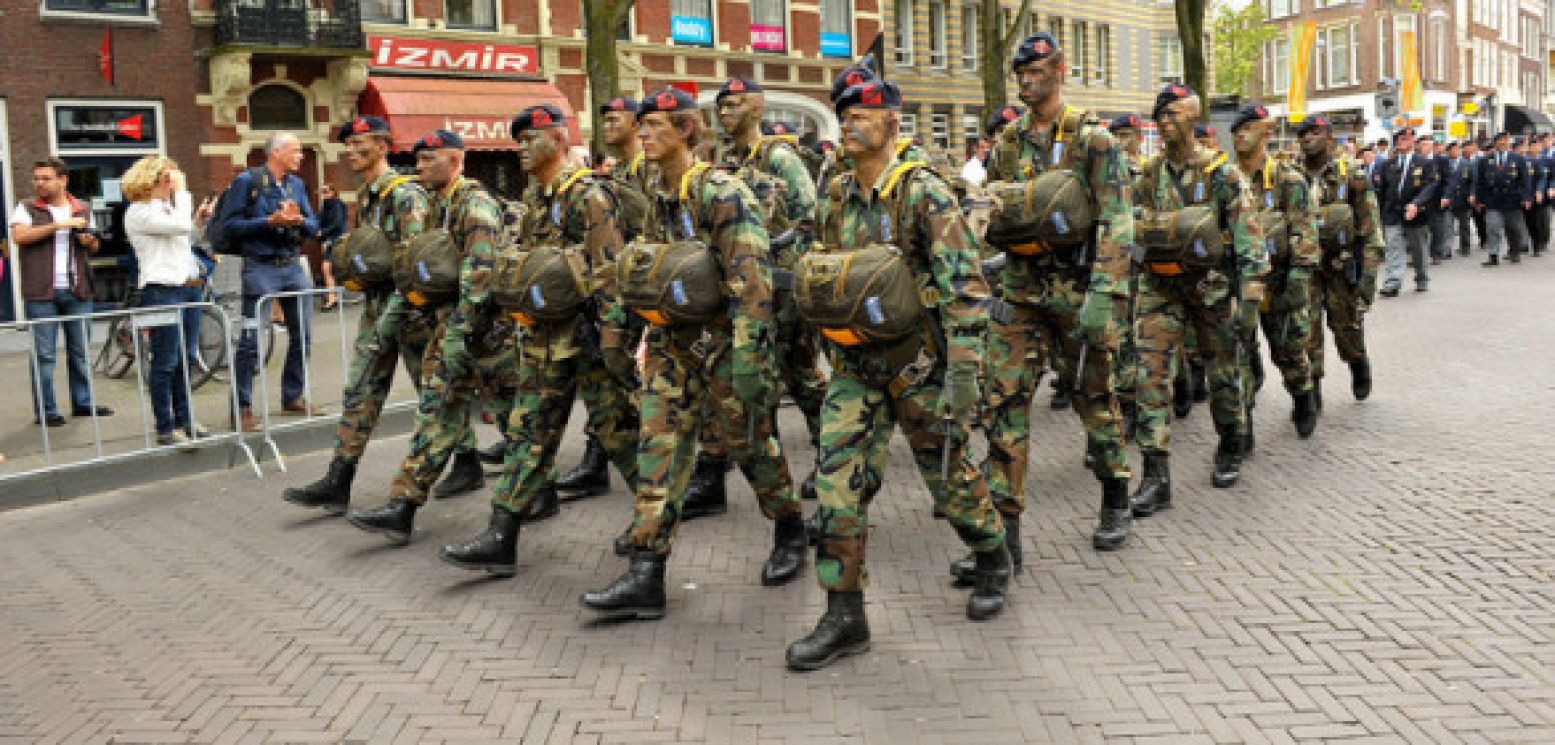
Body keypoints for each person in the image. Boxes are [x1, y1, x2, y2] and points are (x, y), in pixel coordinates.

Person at [784, 77, 1009, 672]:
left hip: (918, 367)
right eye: (844, 116)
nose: (851, 124)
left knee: (950, 479)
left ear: (891, 123)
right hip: (856, 367)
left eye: (863, 115)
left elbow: (966, 286)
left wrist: (964, 372)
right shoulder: (833, 193)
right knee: (838, 484)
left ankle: (991, 553)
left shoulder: (923, 193)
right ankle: (844, 613)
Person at [579, 87, 807, 621]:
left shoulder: (721, 192)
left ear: (685, 129)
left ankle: (789, 526)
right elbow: (636, 269)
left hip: (727, 345)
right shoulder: (653, 195)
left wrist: (751, 359)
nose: (645, 134)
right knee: (658, 449)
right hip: (672, 345)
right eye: (643, 126)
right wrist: (617, 334)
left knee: (752, 447)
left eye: (656, 125)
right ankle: (646, 571)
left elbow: (751, 279)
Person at [438, 104, 641, 574]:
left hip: (589, 340)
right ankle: (500, 535)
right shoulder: (536, 198)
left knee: (621, 438)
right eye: (520, 141)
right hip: (546, 340)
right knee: (529, 435)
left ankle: (653, 526)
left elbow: (609, 270)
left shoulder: (588, 195)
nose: (523, 149)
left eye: (532, 140)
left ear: (560, 139)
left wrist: (615, 344)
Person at [974, 31, 1137, 559]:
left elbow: (1117, 217)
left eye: (1037, 68)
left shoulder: (1094, 141)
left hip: (1079, 289)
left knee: (1095, 400)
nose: (1026, 77)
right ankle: (1005, 535)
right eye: (1020, 70)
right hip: (1021, 293)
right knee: (1004, 402)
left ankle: (1116, 494)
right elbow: (993, 211)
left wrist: (1106, 293)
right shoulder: (1007, 143)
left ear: (1060, 69)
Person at [282, 115, 460, 515]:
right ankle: (338, 479)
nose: (350, 152)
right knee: (361, 391)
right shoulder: (366, 195)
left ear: (382, 147)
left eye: (359, 144)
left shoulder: (404, 195)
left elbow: (417, 261)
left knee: (433, 397)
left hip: (410, 312)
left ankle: (465, 463)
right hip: (380, 309)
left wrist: (394, 317)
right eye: (347, 146)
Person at [345, 130, 516, 543]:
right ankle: (403, 506)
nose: (418, 168)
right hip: (453, 330)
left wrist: (457, 335)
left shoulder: (473, 206)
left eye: (428, 160)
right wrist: (394, 318)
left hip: (487, 337)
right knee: (436, 414)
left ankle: (542, 492)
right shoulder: (438, 206)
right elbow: (426, 272)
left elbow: (479, 277)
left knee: (522, 427)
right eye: (417, 160)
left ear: (455, 160)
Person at [1129, 83, 1267, 518]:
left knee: (1224, 374)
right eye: (1161, 117)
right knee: (1149, 378)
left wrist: (1248, 301)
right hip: (1160, 290)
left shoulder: (1222, 175)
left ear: (1192, 118)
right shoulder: (1148, 177)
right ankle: (1155, 477)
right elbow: (1129, 235)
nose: (1166, 124)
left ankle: (1230, 442)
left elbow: (1249, 242)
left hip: (1211, 290)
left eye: (1174, 115)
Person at [704, 75, 827, 511]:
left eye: (733, 106)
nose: (724, 114)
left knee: (803, 376)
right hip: (746, 286)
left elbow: (810, 218)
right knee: (753, 376)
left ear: (757, 108)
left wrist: (787, 258)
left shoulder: (779, 158)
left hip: (784, 285)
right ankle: (741, 467)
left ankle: (827, 456)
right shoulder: (726, 162)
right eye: (721, 107)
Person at [540, 95, 651, 500]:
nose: (607, 123)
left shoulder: (652, 169)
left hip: (645, 291)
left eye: (616, 116)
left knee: (640, 392)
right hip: (619, 294)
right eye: (602, 116)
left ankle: (682, 475)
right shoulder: (616, 172)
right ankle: (598, 462)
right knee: (607, 393)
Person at [217, 132, 321, 430]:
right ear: (276, 152)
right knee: (251, 341)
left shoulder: (296, 185)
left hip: (292, 265)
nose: (301, 156)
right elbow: (230, 227)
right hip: (260, 267)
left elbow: (314, 225)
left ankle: (293, 396)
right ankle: (242, 408)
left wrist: (299, 221)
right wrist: (269, 222)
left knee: (303, 336)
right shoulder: (246, 182)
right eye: (296, 151)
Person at [1229, 104, 1319, 439]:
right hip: (1239, 287)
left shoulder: (1287, 180)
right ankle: (1244, 427)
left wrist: (1299, 277)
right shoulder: (1225, 178)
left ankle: (1303, 397)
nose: (1240, 135)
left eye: (1248, 128)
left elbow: (1305, 230)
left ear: (1266, 133)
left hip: (1279, 284)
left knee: (1290, 354)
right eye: (1237, 130)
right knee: (1239, 357)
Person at [9, 157, 112, 426]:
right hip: (41, 292)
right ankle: (46, 411)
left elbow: (94, 247)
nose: (39, 183)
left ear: (63, 180)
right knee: (44, 355)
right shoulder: (26, 208)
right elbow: (19, 237)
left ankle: (83, 403)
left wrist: (89, 242)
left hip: (78, 290)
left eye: (46, 178)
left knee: (80, 351)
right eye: (37, 178)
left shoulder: (81, 207)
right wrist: (59, 225)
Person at [1295, 114, 1380, 406]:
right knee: (1307, 329)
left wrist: (1368, 277)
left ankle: (1358, 362)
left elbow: (1370, 229)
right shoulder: (1292, 176)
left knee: (1347, 326)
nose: (1307, 139)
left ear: (1329, 137)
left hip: (1341, 267)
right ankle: (1313, 385)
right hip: (1307, 270)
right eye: (1303, 134)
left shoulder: (1351, 174)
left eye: (1314, 133)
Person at [123, 155, 206, 446]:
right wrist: (183, 194)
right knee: (165, 361)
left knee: (186, 357)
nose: (174, 181)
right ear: (154, 179)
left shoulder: (169, 209)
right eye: (169, 176)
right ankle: (165, 426)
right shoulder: (140, 211)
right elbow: (178, 229)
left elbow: (184, 238)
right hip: (161, 291)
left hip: (187, 287)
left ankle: (185, 419)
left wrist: (197, 222)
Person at [1372, 127, 1438, 294]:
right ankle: (1393, 282)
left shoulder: (1425, 163)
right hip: (1392, 213)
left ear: (1412, 142)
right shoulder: (1388, 164)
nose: (1401, 142)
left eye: (1405, 139)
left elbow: (1430, 186)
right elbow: (1382, 190)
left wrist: (1416, 204)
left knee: (1418, 249)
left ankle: (1421, 277)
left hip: (1416, 214)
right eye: (1399, 139)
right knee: (1393, 248)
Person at [1470, 131, 1531, 268]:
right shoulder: (1485, 160)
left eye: (1505, 140)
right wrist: (1479, 200)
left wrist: (1526, 198)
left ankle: (1514, 251)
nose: (1503, 143)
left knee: (1513, 229)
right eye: (1500, 140)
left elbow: (1525, 180)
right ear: (1495, 142)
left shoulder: (1518, 158)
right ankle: (1493, 255)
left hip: (1513, 200)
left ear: (1509, 142)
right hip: (1493, 201)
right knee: (1493, 228)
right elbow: (1480, 182)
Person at [315, 183, 347, 310]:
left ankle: (332, 298)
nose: (323, 194)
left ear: (333, 192)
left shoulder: (337, 205)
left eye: (326, 191)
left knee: (327, 268)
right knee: (329, 269)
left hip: (337, 241)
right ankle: (332, 296)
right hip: (331, 241)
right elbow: (318, 219)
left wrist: (323, 232)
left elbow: (338, 224)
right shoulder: (325, 207)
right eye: (322, 191)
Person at [1443, 141, 1477, 257]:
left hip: (1463, 198)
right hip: (1448, 199)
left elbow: (1473, 181)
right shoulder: (1445, 164)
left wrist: (1472, 194)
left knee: (1464, 225)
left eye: (1457, 149)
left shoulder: (1467, 164)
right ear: (1448, 151)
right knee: (1447, 226)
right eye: (1452, 150)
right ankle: (1447, 249)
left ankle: (1465, 247)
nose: (1455, 152)